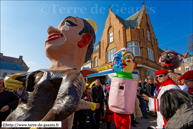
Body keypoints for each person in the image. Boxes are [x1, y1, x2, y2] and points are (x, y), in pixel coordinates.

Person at [4, 16, 97, 124]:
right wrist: (9, 79)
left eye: (68, 24)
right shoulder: (43, 71)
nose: (50, 29)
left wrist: (41, 125)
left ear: (84, 39)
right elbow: (25, 77)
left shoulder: (72, 75)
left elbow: (66, 105)